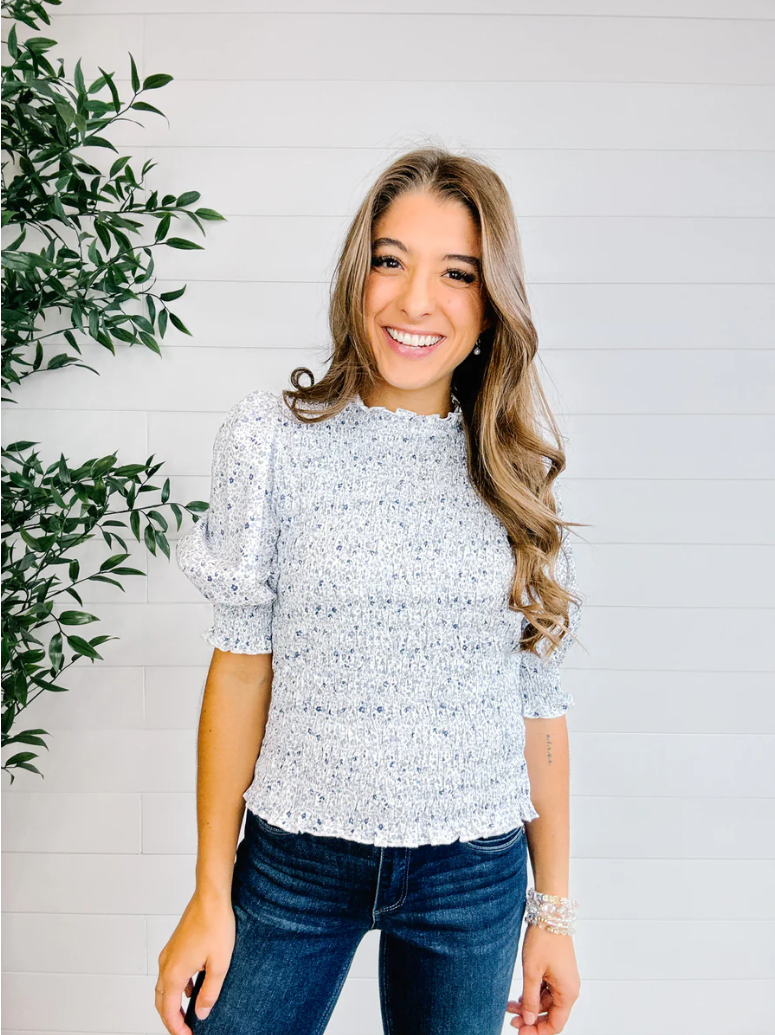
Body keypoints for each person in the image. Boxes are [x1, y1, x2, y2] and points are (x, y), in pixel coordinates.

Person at [156, 146, 585, 1035]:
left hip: (472, 875)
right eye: (390, 261)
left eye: (456, 272)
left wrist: (552, 913)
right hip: (294, 864)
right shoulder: (269, 440)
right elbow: (240, 668)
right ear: (357, 274)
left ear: (491, 302)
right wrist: (208, 891)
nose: (415, 301)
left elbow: (538, 703)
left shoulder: (514, 472)